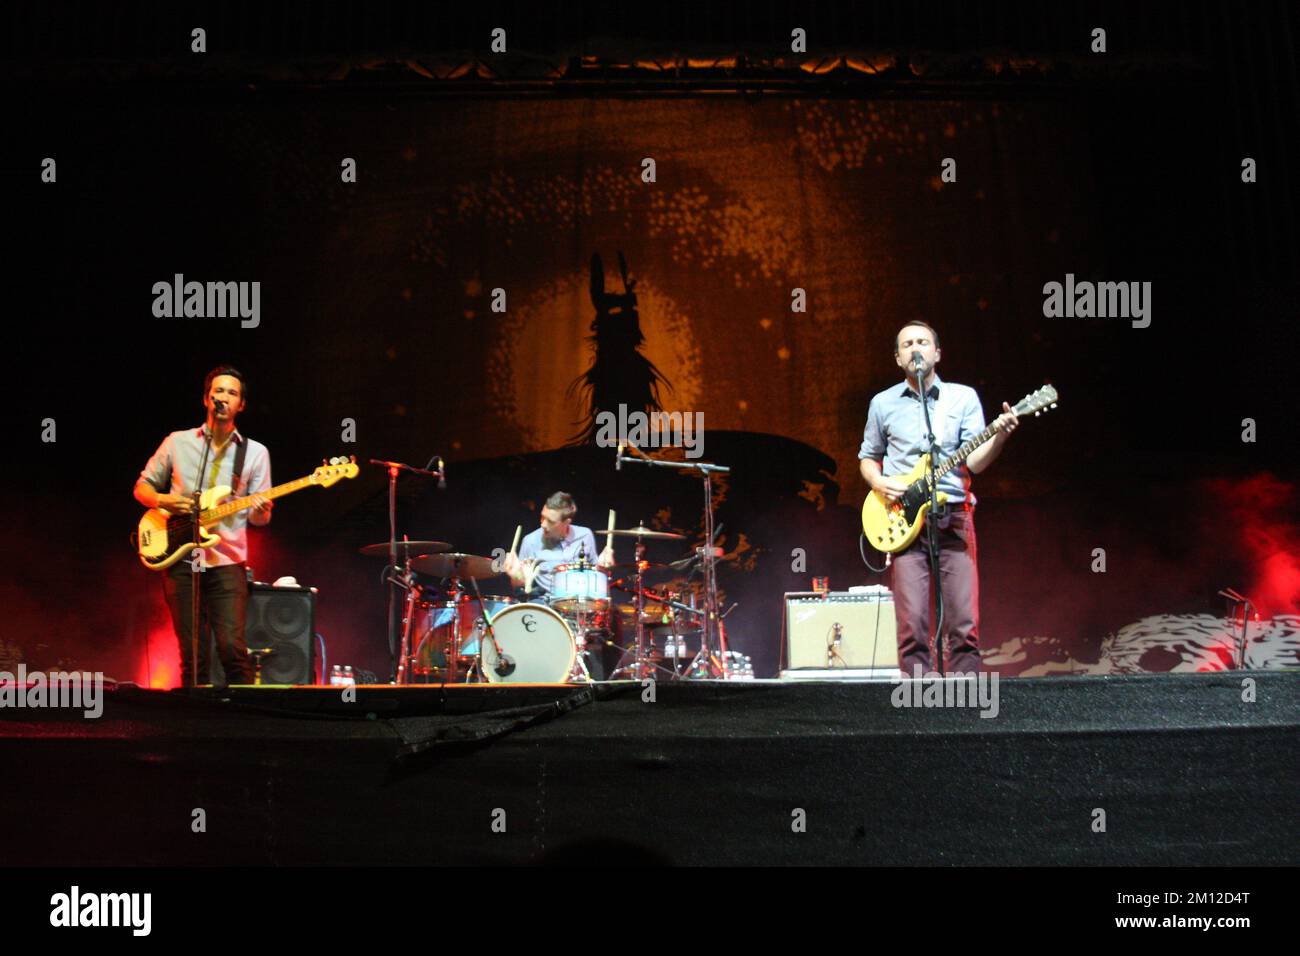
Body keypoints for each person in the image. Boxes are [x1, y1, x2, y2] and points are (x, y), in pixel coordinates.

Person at [858, 323, 1018, 676]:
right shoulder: (883, 403)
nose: (916, 348)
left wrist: (1000, 436)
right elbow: (867, 457)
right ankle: (917, 705)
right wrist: (880, 482)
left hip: (954, 518)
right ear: (898, 358)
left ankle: (964, 702)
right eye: (907, 344)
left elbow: (974, 461)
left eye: (923, 342)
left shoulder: (962, 398)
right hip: (903, 521)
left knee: (963, 621)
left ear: (937, 352)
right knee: (912, 624)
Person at [134, 366, 272, 687]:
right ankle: (192, 727)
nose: (223, 397)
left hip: (227, 560)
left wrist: (262, 510)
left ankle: (248, 726)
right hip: (183, 559)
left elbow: (258, 519)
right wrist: (167, 502)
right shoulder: (177, 442)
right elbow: (142, 488)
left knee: (231, 650)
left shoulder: (254, 453)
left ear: (241, 405)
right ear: (206, 399)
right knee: (192, 655)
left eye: (232, 393)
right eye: (218, 391)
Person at [502, 492, 616, 677]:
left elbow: (594, 577)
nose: (543, 525)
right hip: (544, 604)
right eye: (542, 517)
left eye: (550, 521)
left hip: (579, 605)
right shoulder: (530, 541)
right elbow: (519, 586)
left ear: (566, 522)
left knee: (605, 626)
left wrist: (603, 567)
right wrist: (515, 575)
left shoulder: (585, 535)